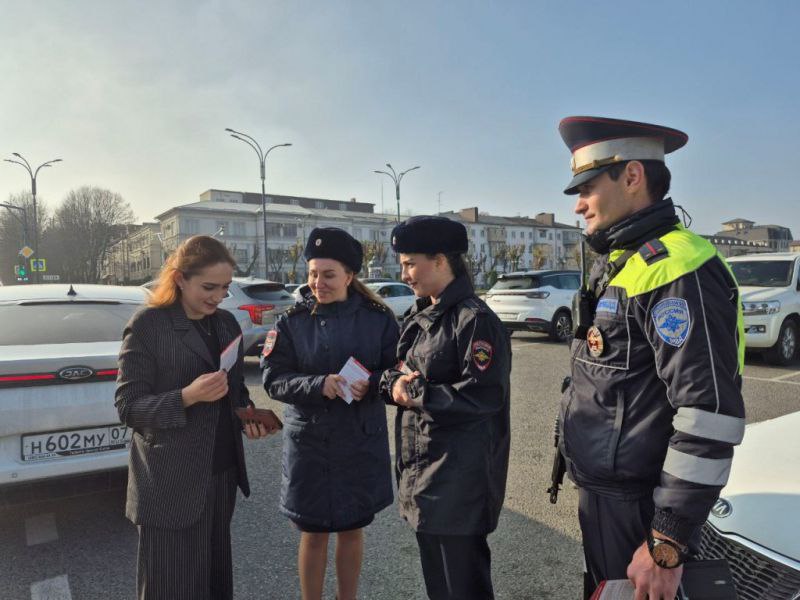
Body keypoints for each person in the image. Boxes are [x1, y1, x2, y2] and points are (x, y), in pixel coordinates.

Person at [556, 116, 746, 600]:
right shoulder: (625, 261)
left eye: (588, 187)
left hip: (644, 511)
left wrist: (667, 538)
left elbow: (708, 414)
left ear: (633, 176)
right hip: (608, 502)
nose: (578, 204)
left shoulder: (676, 268)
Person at [115, 235, 281, 600]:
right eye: (209, 287)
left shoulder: (225, 324)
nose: (218, 296)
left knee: (214, 581)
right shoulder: (149, 325)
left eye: (224, 288)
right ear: (179, 278)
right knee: (169, 586)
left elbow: (235, 390)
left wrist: (246, 417)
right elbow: (129, 406)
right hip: (169, 481)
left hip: (221, 473)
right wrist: (187, 396)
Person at [261, 227, 399, 600]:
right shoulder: (292, 321)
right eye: (312, 274)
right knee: (314, 532)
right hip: (311, 443)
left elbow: (395, 372)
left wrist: (372, 383)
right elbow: (273, 379)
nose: (317, 283)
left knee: (353, 529)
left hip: (358, 439)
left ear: (350, 276)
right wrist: (317, 385)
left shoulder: (379, 318)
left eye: (328, 275)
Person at [380, 216, 512, 600]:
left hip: (458, 482)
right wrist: (392, 384)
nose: (404, 274)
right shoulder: (424, 315)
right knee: (440, 588)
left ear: (441, 260)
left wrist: (414, 392)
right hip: (425, 475)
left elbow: (483, 396)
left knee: (463, 588)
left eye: (410, 263)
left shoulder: (474, 320)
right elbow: (396, 369)